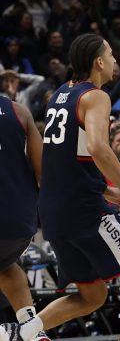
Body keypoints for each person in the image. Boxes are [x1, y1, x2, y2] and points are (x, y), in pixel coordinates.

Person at [1, 33, 120, 341]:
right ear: (99, 62)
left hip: (54, 213)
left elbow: (64, 160)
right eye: (110, 54)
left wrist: (106, 190)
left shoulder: (60, 95)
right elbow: (98, 147)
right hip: (84, 212)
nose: (114, 60)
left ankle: (22, 332)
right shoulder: (96, 96)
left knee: (93, 296)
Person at [0, 95, 49, 341]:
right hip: (20, 223)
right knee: (6, 265)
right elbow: (44, 173)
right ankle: (32, 329)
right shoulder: (19, 111)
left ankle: (6, 334)